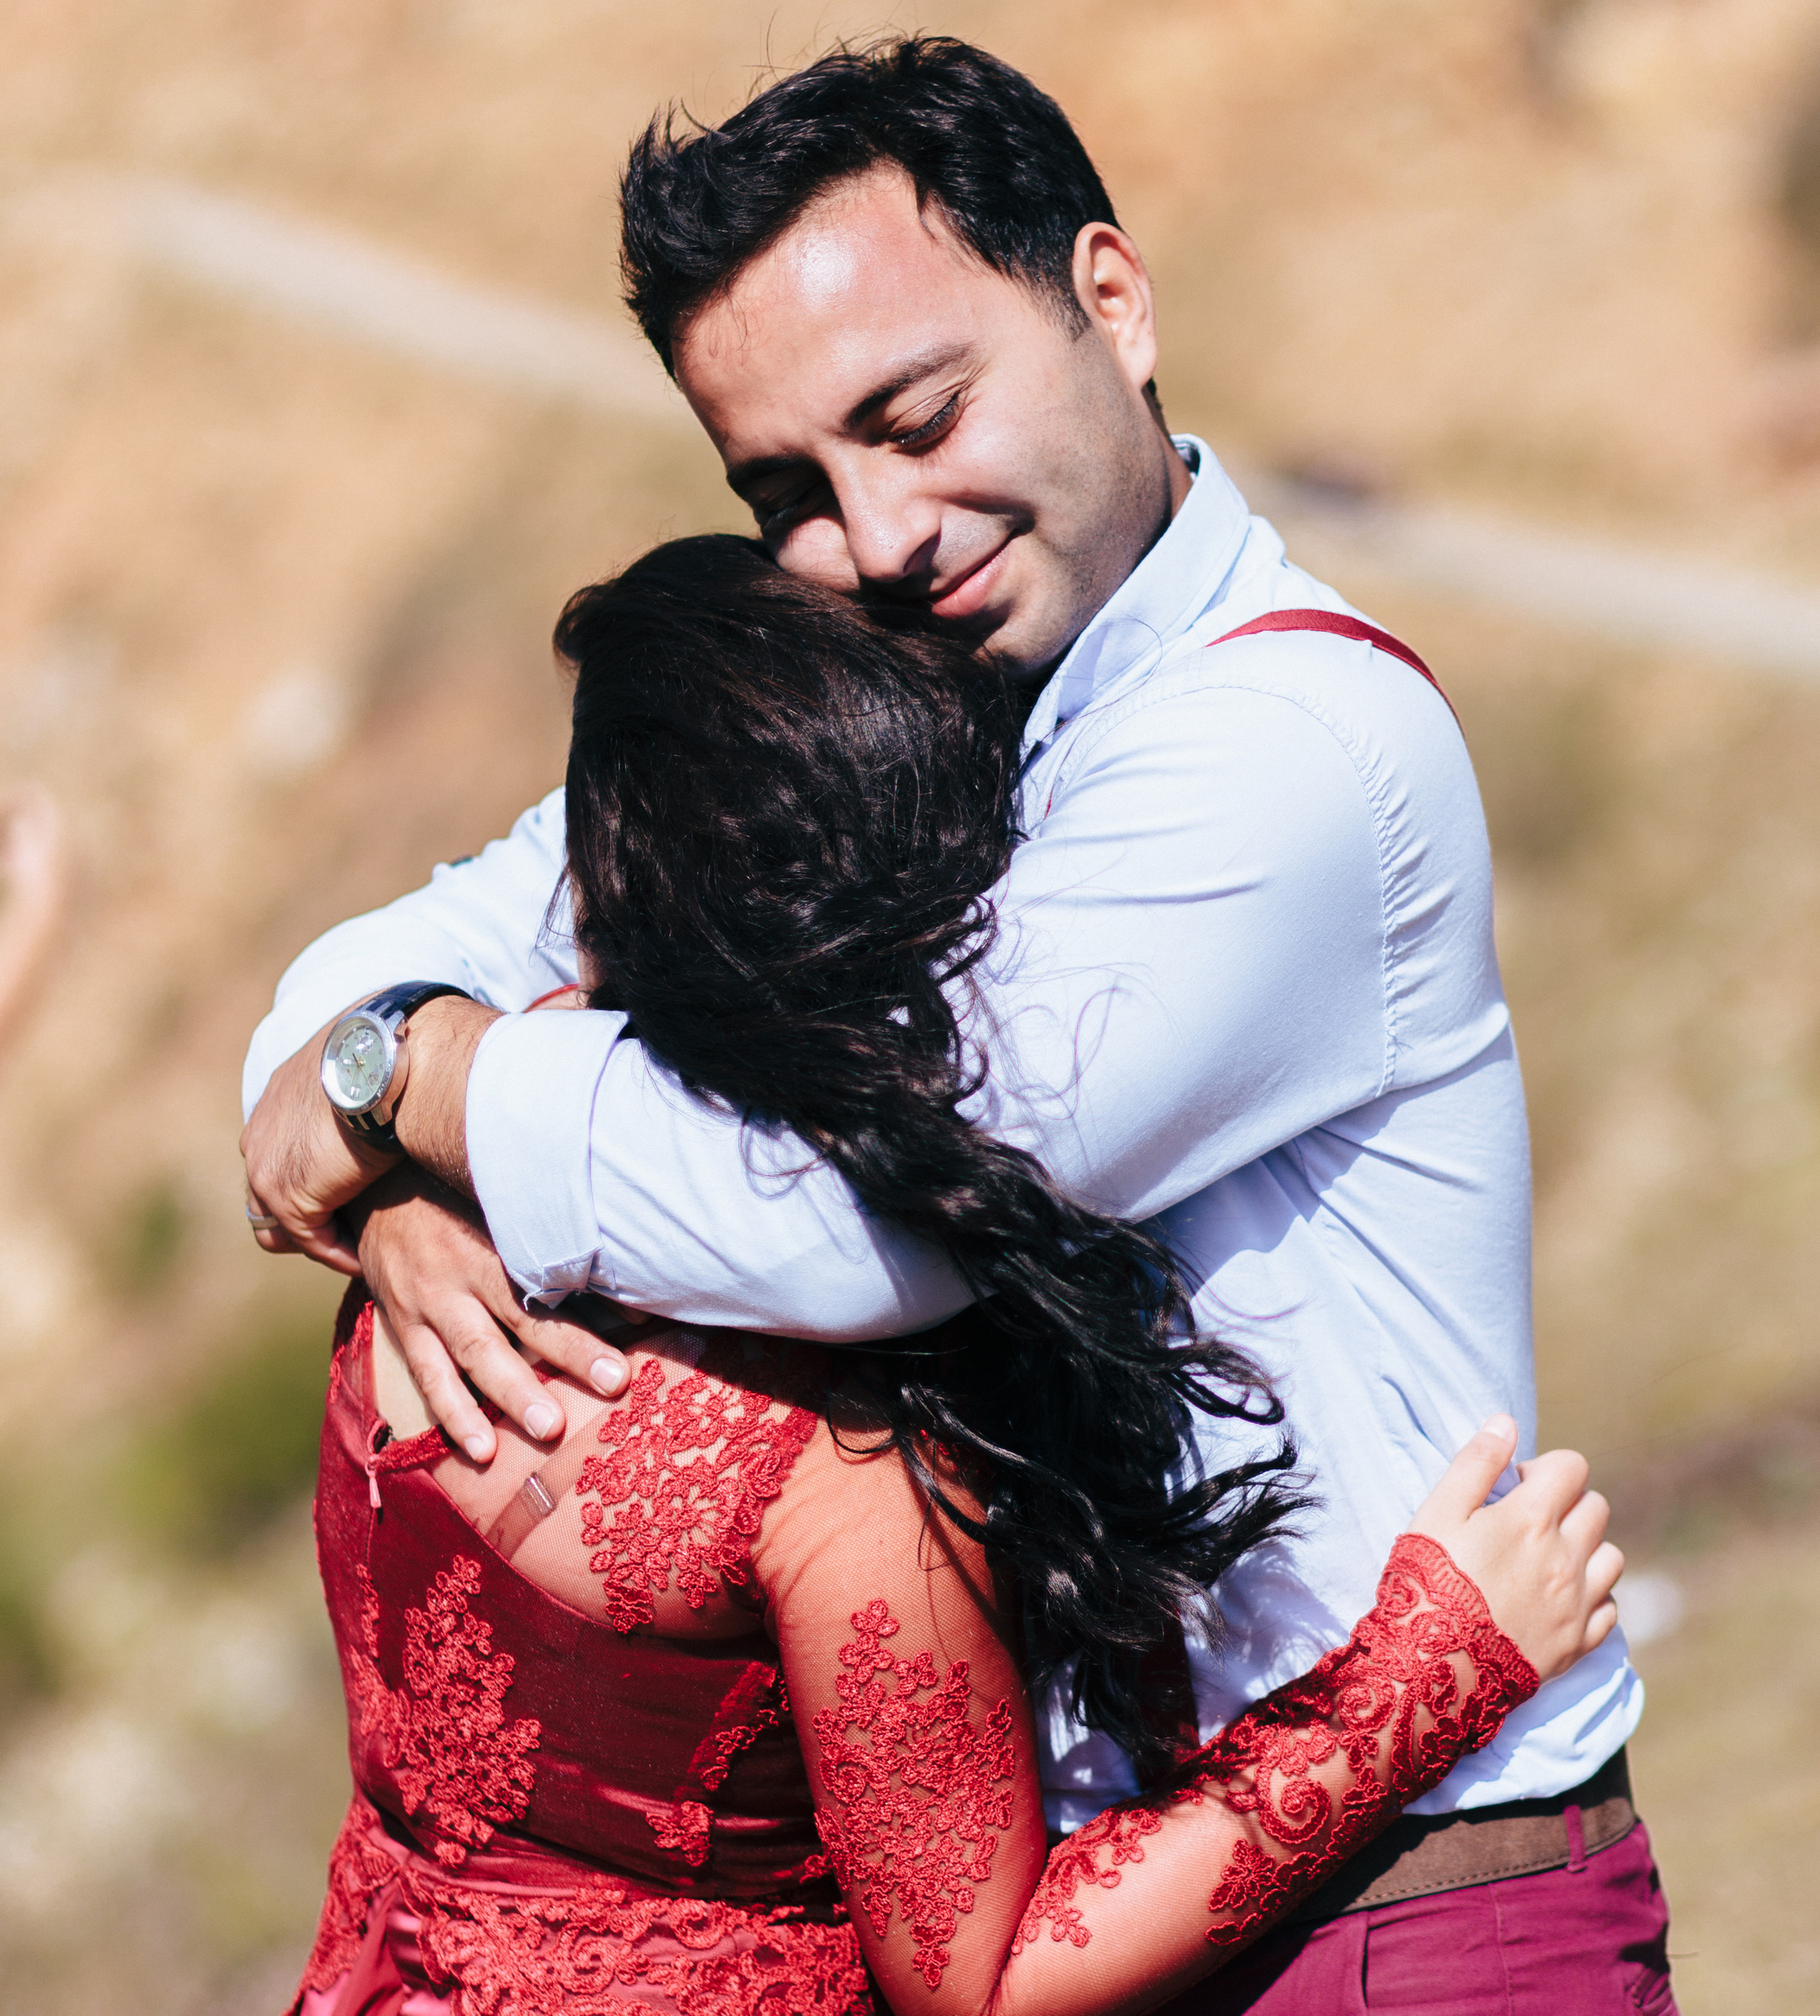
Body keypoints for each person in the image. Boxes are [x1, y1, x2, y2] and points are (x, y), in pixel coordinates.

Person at [245, 38, 1672, 2009]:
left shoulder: (1295, 752)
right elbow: (381, 962)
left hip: (1404, 1898)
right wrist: (372, 1094)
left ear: (1112, 297)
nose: (882, 534)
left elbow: (861, 1223)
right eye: (791, 495)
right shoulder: (899, 728)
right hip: (1083, 1908)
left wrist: (431, 1089)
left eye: (915, 416)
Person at [293, 535, 1621, 2016]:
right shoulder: (824, 1452)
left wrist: (395, 1144)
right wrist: (1422, 1674)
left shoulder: (429, 1200)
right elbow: (978, 1983)